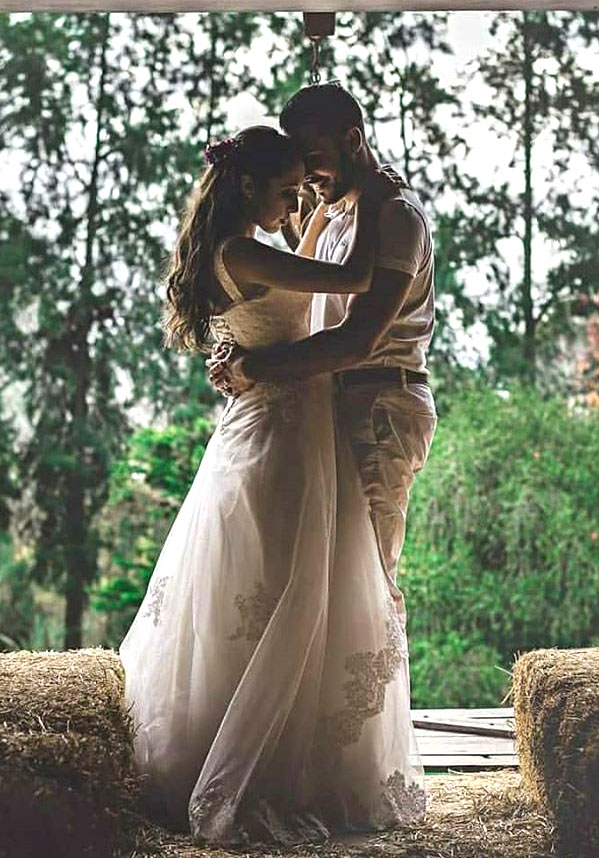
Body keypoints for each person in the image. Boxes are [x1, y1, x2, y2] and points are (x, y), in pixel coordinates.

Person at [118, 124, 427, 846]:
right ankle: (267, 764)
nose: (297, 203)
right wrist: (370, 196)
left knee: (285, 580)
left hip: (281, 421)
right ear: (248, 185)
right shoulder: (245, 252)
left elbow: (304, 264)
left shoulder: (241, 247)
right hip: (283, 431)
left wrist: (326, 211)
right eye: (287, 191)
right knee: (287, 582)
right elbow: (353, 280)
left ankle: (287, 748)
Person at [208, 83, 438, 630]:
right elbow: (294, 298)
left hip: (379, 405)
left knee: (370, 580)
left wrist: (254, 369)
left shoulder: (395, 217)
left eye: (313, 157)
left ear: (352, 140)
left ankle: (377, 689)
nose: (306, 175)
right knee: (323, 580)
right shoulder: (336, 217)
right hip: (331, 406)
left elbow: (357, 339)